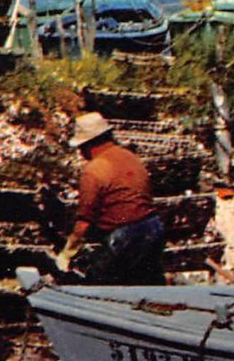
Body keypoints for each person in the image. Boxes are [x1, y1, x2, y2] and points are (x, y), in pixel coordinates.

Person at [55, 112, 165, 284]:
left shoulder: (94, 170)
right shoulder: (130, 157)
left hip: (126, 236)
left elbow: (84, 221)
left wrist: (67, 253)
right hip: (154, 227)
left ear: (87, 145)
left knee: (100, 282)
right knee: (146, 283)